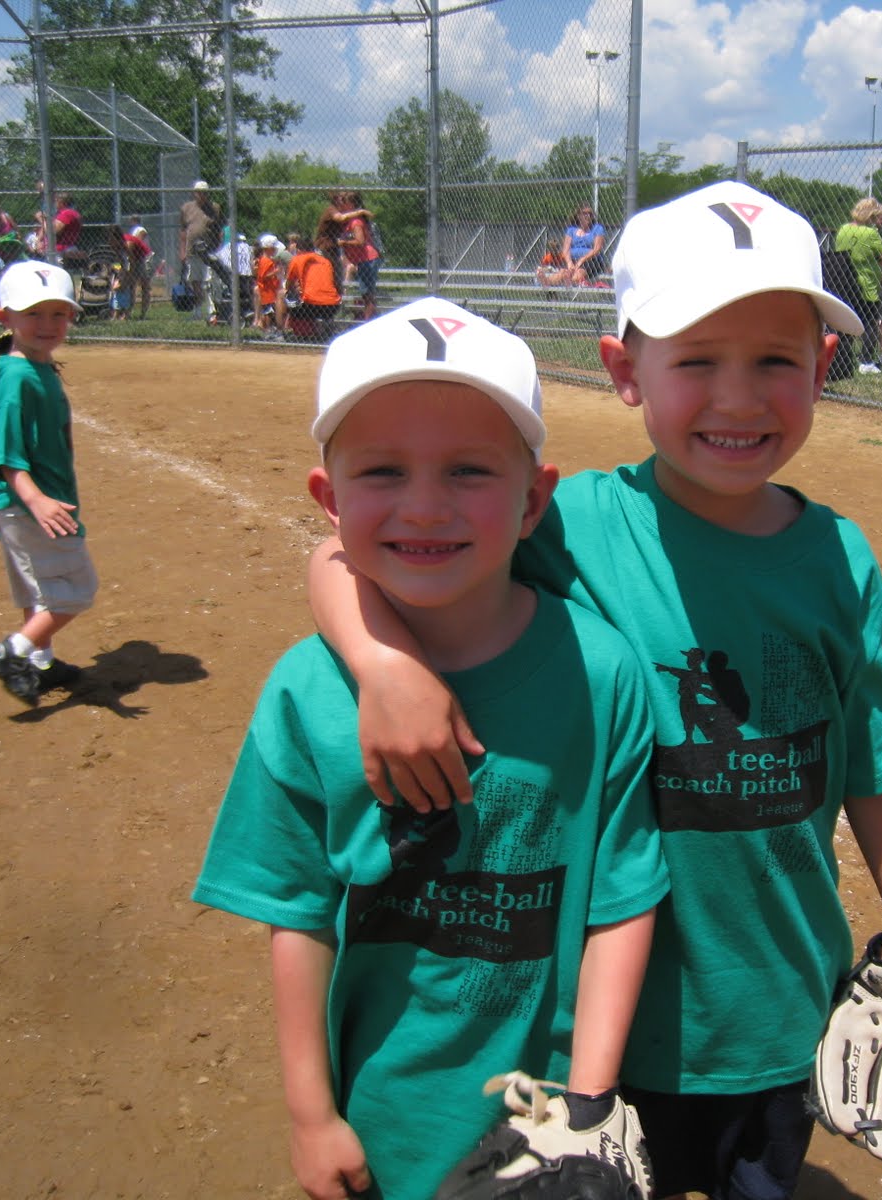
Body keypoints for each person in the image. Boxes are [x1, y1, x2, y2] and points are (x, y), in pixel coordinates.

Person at [306, 180, 882, 1200]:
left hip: (777, 1009)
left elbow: (876, 759)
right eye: (696, 361)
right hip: (597, 1029)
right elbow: (339, 557)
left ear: (821, 369)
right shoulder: (569, 524)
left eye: (774, 361)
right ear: (623, 371)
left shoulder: (838, 558)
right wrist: (381, 661)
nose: (738, 399)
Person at [192, 297, 667, 1200]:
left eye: (467, 470)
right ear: (329, 501)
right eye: (382, 470)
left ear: (533, 500)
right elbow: (298, 914)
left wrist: (591, 1106)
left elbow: (620, 901)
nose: (424, 506)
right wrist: (310, 1113)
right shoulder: (306, 692)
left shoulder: (599, 673)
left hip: (546, 1116)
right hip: (383, 1120)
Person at [0, 261, 94, 706]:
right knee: (77, 590)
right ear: (5, 316)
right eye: (33, 314)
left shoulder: (36, 366)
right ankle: (14, 651)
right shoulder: (17, 376)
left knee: (38, 590)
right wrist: (36, 499)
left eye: (58, 314)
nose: (48, 324)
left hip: (25, 503)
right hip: (28, 504)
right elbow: (5, 453)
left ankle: (40, 665)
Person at [834, 197, 882, 373]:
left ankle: (843, 358)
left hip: (846, 281)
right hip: (867, 284)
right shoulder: (871, 233)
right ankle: (866, 361)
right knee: (871, 322)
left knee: (845, 321)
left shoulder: (844, 229)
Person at [179, 180, 224, 322]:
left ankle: (212, 311)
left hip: (209, 251)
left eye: (204, 192)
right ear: (194, 193)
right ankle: (198, 310)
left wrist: (219, 249)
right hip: (192, 251)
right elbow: (183, 230)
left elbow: (220, 230)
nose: (202, 195)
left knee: (208, 281)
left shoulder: (215, 208)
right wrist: (182, 251)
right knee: (195, 281)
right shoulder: (186, 208)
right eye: (199, 192)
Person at [284, 233, 341, 343]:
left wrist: (294, 290)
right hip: (333, 305)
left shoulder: (297, 259)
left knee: (283, 296)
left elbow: (288, 284)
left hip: (311, 305)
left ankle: (286, 330)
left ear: (298, 250)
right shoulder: (325, 261)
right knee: (309, 299)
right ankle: (321, 332)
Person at [335, 190, 382, 322]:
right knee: (366, 294)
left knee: (367, 294)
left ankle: (368, 323)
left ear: (351, 204)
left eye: (344, 201)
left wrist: (343, 242)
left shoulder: (356, 222)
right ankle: (371, 320)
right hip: (362, 260)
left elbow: (360, 241)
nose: (341, 204)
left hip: (368, 259)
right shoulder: (349, 220)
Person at [563, 203, 607, 285]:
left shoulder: (597, 228)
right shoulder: (571, 230)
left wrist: (582, 260)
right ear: (578, 215)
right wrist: (569, 263)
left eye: (590, 214)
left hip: (591, 261)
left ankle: (568, 282)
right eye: (584, 213)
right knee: (564, 272)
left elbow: (597, 249)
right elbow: (565, 250)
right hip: (573, 259)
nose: (588, 216)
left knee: (578, 273)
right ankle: (546, 281)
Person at [253, 234, 283, 339]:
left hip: (271, 291)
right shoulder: (266, 261)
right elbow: (263, 276)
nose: (275, 249)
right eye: (274, 247)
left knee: (270, 312)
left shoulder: (268, 260)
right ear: (268, 248)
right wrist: (275, 272)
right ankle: (267, 331)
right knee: (268, 313)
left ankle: (269, 330)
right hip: (267, 292)